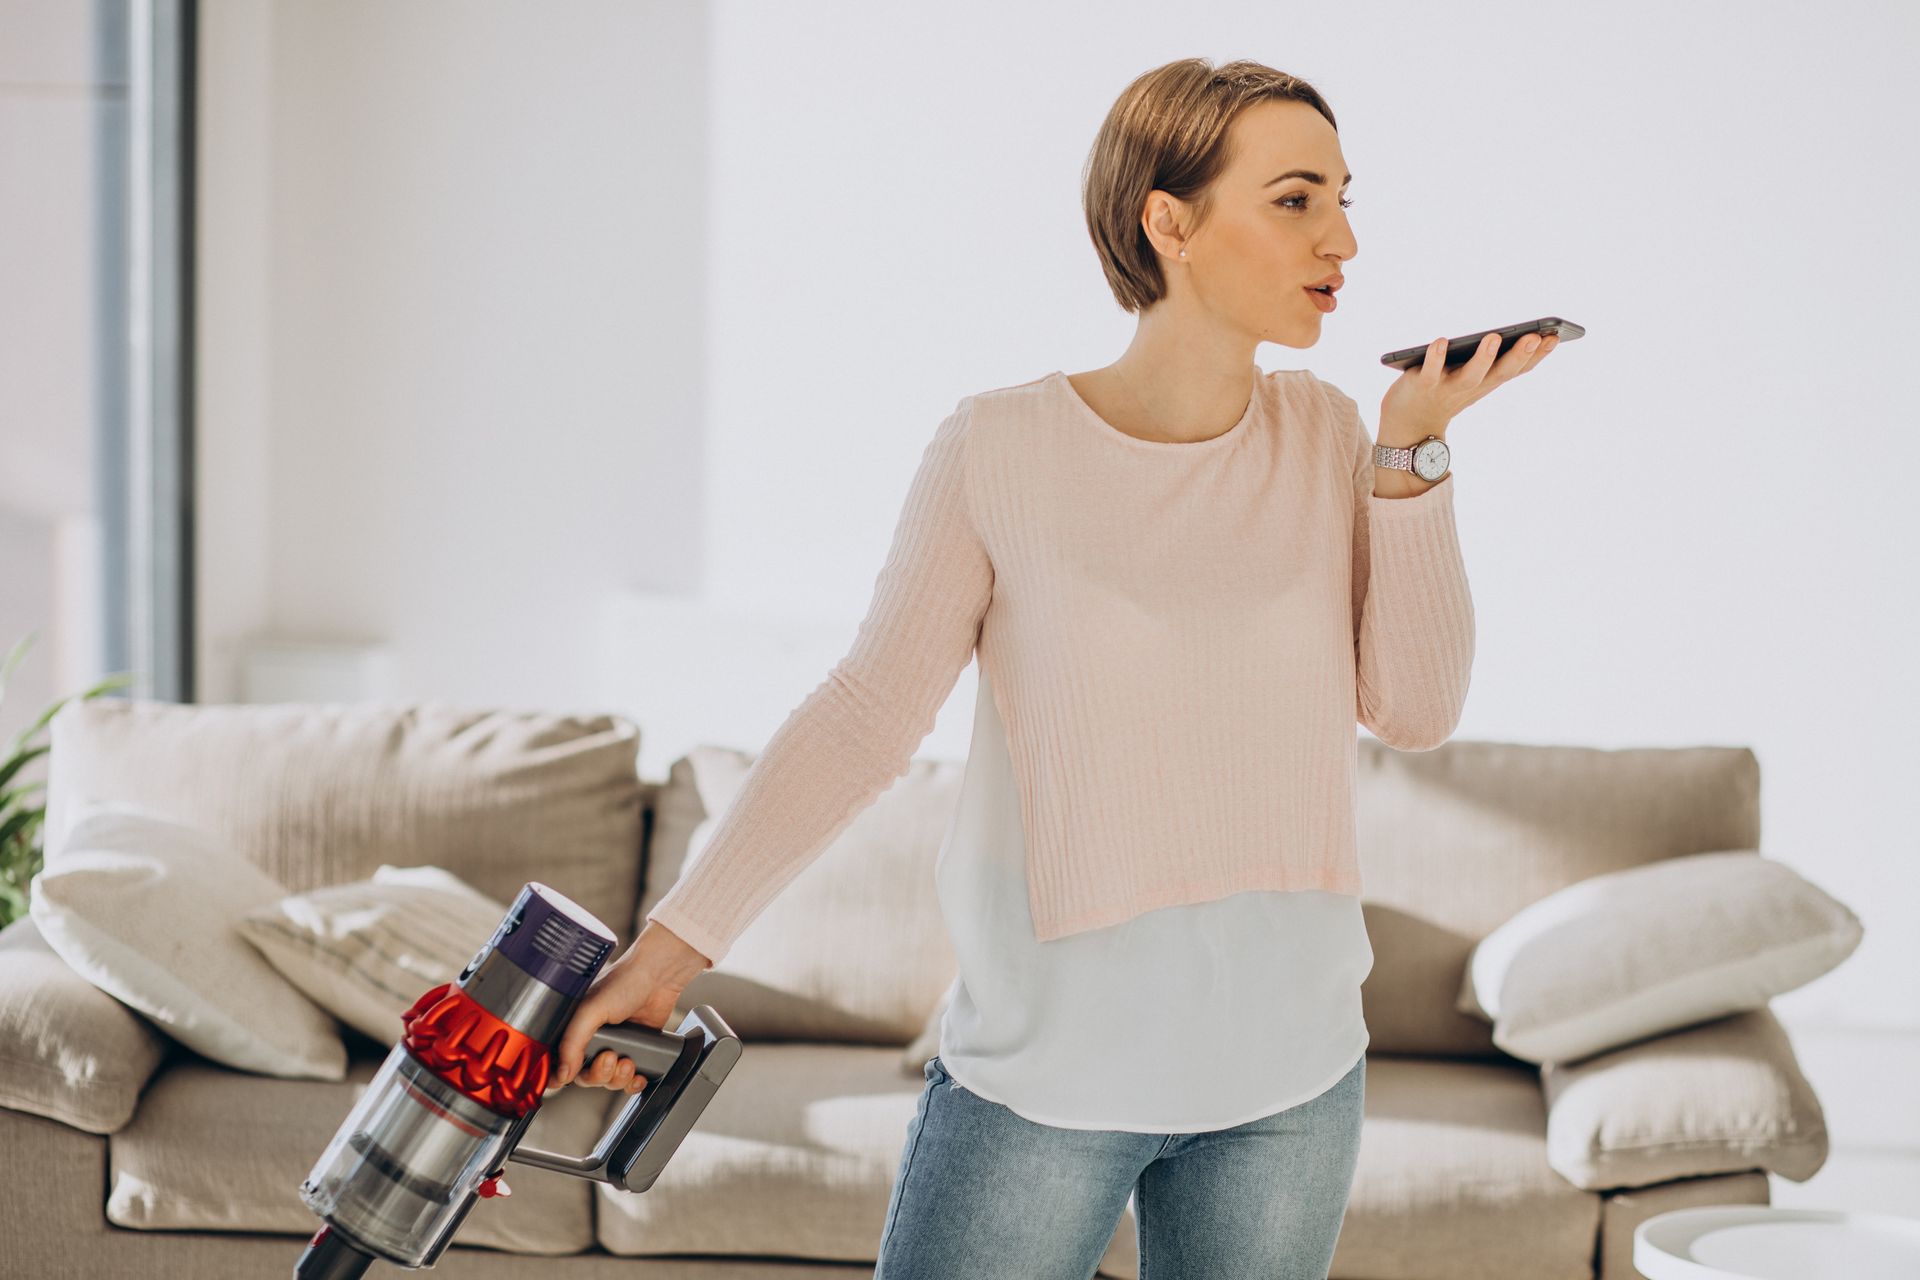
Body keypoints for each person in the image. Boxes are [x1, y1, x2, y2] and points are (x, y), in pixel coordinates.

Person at [551, 55, 1557, 1280]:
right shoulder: (1002, 447)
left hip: (1291, 1084)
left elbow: (1414, 708)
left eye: (1344, 200)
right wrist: (668, 949)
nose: (1340, 238)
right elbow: (867, 714)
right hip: (1045, 1082)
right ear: (1168, 220)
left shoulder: (1329, 433)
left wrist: (1416, 452)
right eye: (1296, 199)